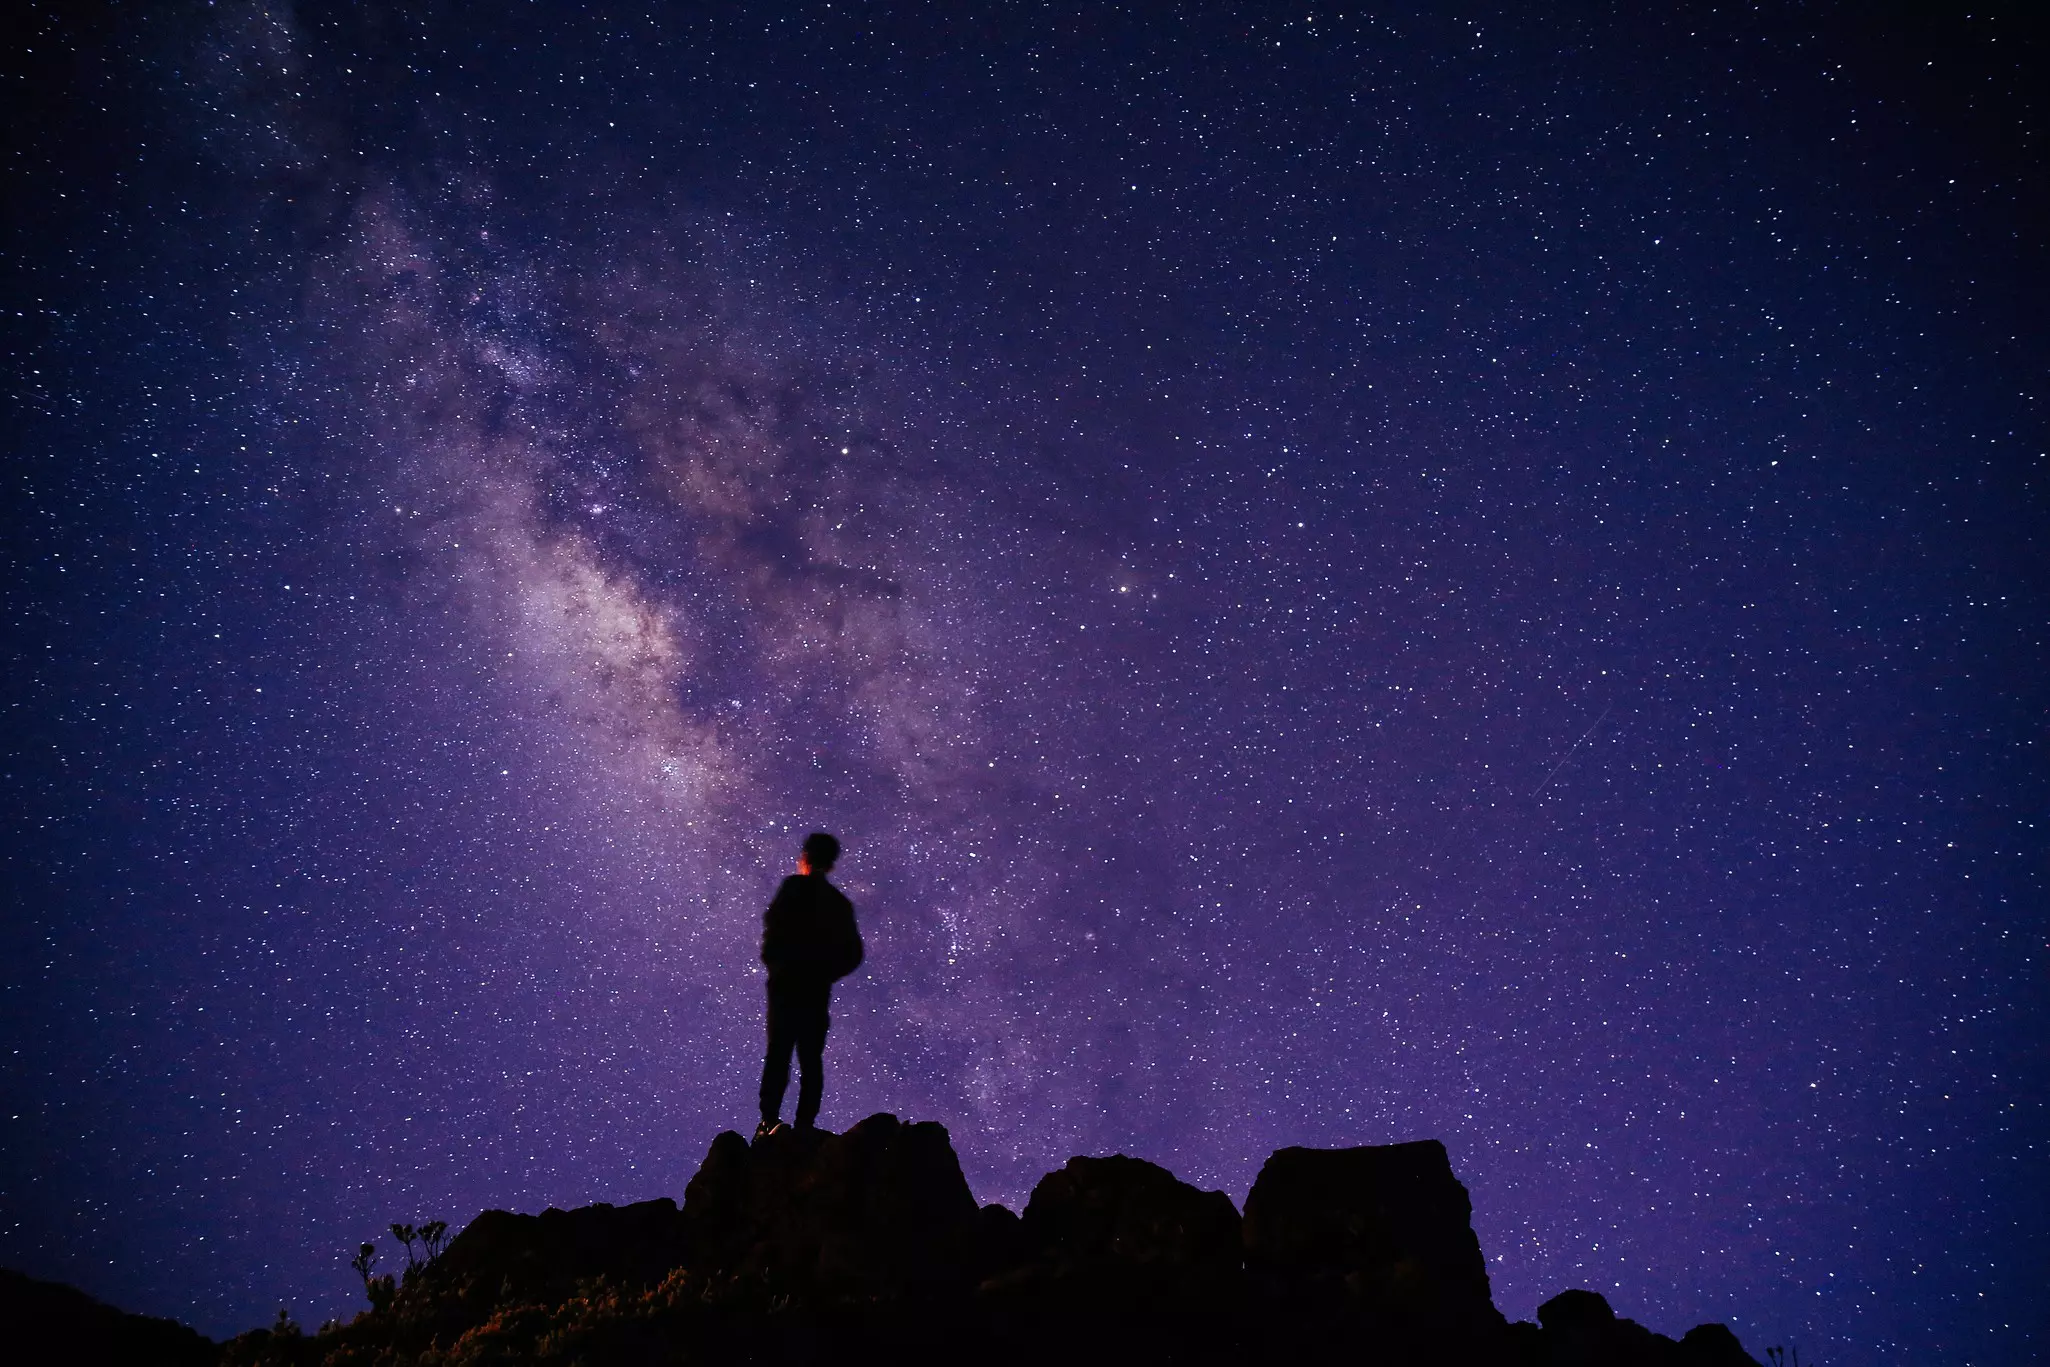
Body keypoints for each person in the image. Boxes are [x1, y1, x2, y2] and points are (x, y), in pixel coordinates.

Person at [756, 831, 863, 1138]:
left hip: (787, 984)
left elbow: (773, 926)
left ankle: (769, 1122)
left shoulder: (793, 887)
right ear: (830, 863)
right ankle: (804, 1125)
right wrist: (825, 972)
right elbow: (853, 953)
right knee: (810, 1058)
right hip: (815, 991)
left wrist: (777, 962)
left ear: (805, 857)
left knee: (780, 1051)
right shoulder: (839, 904)